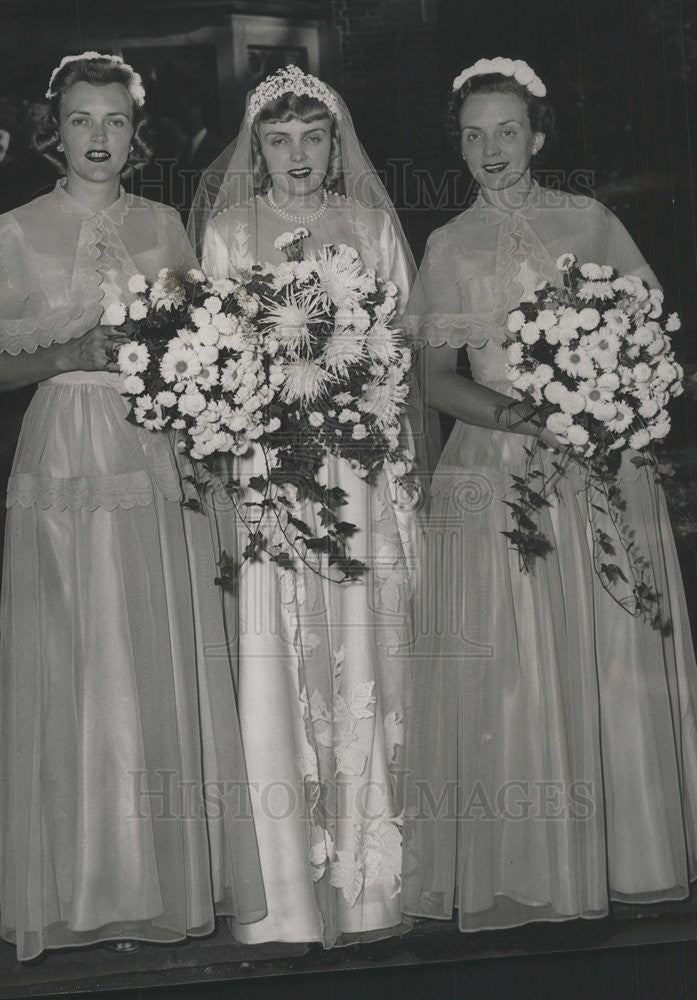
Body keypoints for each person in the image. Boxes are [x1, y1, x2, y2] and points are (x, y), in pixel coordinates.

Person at [402, 57, 697, 932]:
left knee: (609, 646)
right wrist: (521, 414)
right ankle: (532, 859)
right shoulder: (448, 246)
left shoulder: (592, 222)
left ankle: (628, 847)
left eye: (505, 131)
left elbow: (650, 343)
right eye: (471, 135)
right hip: (498, 467)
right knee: (518, 662)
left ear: (536, 135)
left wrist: (612, 400)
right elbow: (436, 382)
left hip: (600, 465)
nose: (489, 150)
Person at [0, 52, 265, 961]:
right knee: (79, 657)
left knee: (154, 652)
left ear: (135, 131)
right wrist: (75, 348)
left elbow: (207, 352)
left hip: (155, 455)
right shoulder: (15, 232)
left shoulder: (163, 230)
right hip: (64, 451)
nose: (99, 138)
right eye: (81, 120)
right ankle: (82, 885)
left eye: (115, 121)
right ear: (53, 130)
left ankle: (163, 878)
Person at [189, 64, 423, 946]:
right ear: (257, 148)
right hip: (270, 472)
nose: (295, 156)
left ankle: (371, 884)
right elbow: (211, 359)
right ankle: (286, 891)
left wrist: (366, 411)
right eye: (277, 141)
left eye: (312, 138)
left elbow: (401, 351)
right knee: (279, 649)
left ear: (335, 145)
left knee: (362, 649)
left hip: (357, 469)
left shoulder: (367, 227)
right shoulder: (226, 231)